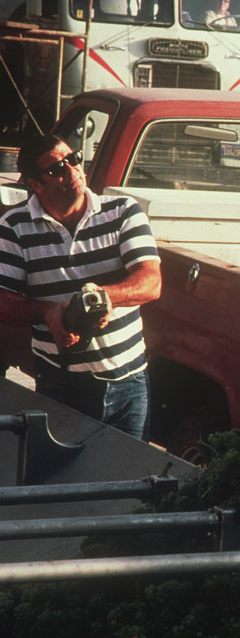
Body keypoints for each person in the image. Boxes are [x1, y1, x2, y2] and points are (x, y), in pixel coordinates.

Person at [0, 135, 161, 441]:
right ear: (36, 185)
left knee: (128, 481)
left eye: (74, 159)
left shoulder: (123, 211)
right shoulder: (13, 227)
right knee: (60, 484)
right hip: (58, 383)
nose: (72, 170)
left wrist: (99, 298)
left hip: (128, 382)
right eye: (58, 168)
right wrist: (47, 312)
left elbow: (151, 282)